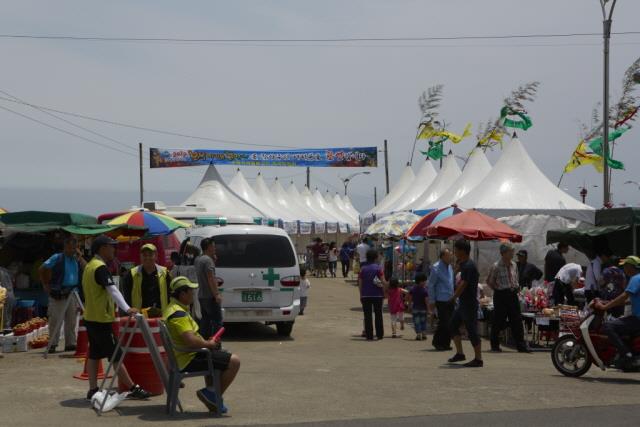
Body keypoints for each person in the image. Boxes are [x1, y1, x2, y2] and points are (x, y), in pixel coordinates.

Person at [82, 235, 151, 401]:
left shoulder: (89, 266)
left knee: (94, 354)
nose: (114, 250)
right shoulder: (100, 267)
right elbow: (112, 290)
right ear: (102, 248)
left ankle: (92, 389)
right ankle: (133, 387)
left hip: (90, 317)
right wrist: (127, 309)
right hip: (101, 319)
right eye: (111, 246)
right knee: (116, 355)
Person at [164, 276, 240, 414]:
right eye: (190, 291)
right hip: (188, 358)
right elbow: (191, 341)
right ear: (182, 294)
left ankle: (212, 397)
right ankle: (212, 395)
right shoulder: (178, 315)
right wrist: (208, 344)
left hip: (185, 355)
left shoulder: (172, 308)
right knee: (234, 361)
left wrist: (207, 343)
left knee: (219, 356)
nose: (193, 294)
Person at [39, 235, 86, 353]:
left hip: (73, 293)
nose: (71, 250)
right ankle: (53, 344)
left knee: (71, 321)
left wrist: (80, 257)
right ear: (65, 247)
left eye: (74, 248)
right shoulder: (57, 257)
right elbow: (42, 268)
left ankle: (70, 343)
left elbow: (87, 268)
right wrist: (45, 284)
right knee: (55, 319)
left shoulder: (77, 259)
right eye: (69, 248)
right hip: (58, 293)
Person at [595, 256, 640, 370]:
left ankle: (626, 354)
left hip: (637, 319)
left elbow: (623, 297)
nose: (624, 269)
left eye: (625, 266)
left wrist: (605, 306)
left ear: (630, 267)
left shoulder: (635, 279)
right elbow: (629, 299)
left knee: (607, 326)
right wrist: (611, 302)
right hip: (635, 317)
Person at [487, 243, 530, 353]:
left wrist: (516, 287)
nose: (513, 253)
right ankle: (495, 345)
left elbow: (516, 278)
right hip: (501, 295)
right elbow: (489, 281)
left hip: (513, 294)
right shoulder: (496, 266)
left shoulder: (514, 265)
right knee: (498, 320)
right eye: (510, 251)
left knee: (517, 320)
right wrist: (499, 289)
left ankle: (521, 346)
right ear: (504, 253)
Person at [448, 239, 483, 367]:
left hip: (469, 303)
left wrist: (453, 297)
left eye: (456, 250)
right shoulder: (463, 264)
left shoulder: (469, 266)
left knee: (471, 330)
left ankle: (478, 359)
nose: (455, 252)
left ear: (462, 251)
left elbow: (463, 284)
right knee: (452, 325)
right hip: (462, 303)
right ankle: (460, 353)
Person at [121, 243, 172, 313]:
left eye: (151, 255)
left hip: (161, 317)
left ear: (156, 256)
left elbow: (170, 296)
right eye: (144, 255)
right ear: (140, 257)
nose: (147, 258)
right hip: (139, 317)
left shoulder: (165, 273)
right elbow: (126, 296)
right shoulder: (131, 274)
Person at [195, 238, 223, 340]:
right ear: (209, 247)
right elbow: (211, 278)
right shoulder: (208, 260)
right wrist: (216, 294)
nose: (215, 248)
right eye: (213, 246)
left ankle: (204, 344)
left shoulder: (199, 259)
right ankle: (216, 345)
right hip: (210, 296)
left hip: (202, 296)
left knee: (205, 321)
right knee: (217, 322)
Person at [358, 249, 388, 341]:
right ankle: (379, 334)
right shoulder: (379, 268)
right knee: (378, 315)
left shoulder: (363, 269)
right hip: (378, 295)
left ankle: (369, 335)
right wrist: (386, 291)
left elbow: (360, 284)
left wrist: (361, 294)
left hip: (366, 295)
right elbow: (383, 281)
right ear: (375, 258)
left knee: (367, 316)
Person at [428, 249, 454, 351]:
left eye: (450, 255)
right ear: (442, 256)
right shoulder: (436, 267)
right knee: (444, 322)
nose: (450, 257)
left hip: (450, 298)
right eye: (448, 256)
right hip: (441, 298)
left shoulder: (450, 267)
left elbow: (451, 282)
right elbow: (431, 285)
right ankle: (437, 342)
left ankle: (446, 343)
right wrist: (432, 300)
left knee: (450, 322)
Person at [407, 273, 429, 341]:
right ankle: (424, 334)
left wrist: (409, 305)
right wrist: (428, 309)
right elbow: (426, 300)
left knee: (417, 322)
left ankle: (418, 334)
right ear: (421, 281)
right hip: (423, 309)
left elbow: (409, 297)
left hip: (415, 308)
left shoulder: (413, 289)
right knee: (423, 321)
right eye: (425, 281)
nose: (425, 282)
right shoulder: (425, 290)